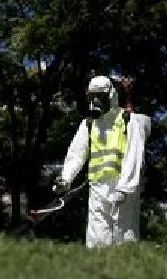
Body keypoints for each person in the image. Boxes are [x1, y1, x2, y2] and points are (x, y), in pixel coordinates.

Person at [52, 75, 152, 248]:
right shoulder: (89, 124)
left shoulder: (127, 120)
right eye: (92, 96)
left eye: (101, 96)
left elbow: (134, 155)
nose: (96, 100)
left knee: (124, 234)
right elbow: (76, 153)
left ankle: (127, 273)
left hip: (123, 187)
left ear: (111, 95)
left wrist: (125, 188)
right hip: (97, 187)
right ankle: (97, 272)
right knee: (97, 237)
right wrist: (65, 179)